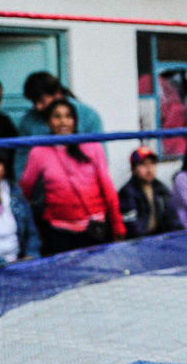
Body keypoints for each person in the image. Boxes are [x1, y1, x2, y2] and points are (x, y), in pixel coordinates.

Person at [19, 98, 124, 254]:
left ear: (75, 121)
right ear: (48, 122)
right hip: (59, 232)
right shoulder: (39, 151)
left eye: (68, 116)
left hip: (95, 228)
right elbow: (25, 188)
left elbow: (107, 186)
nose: (63, 122)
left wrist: (117, 224)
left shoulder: (92, 146)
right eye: (57, 116)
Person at [15, 71, 105, 176]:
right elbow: (21, 161)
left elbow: (100, 160)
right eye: (34, 102)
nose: (38, 107)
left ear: (57, 94)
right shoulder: (28, 122)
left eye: (42, 100)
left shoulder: (88, 116)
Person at [117, 146, 181, 238]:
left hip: (159, 239)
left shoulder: (161, 188)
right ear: (133, 169)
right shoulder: (127, 193)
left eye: (152, 163)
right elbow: (133, 228)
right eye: (143, 164)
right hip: (139, 244)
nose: (149, 169)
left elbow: (172, 217)